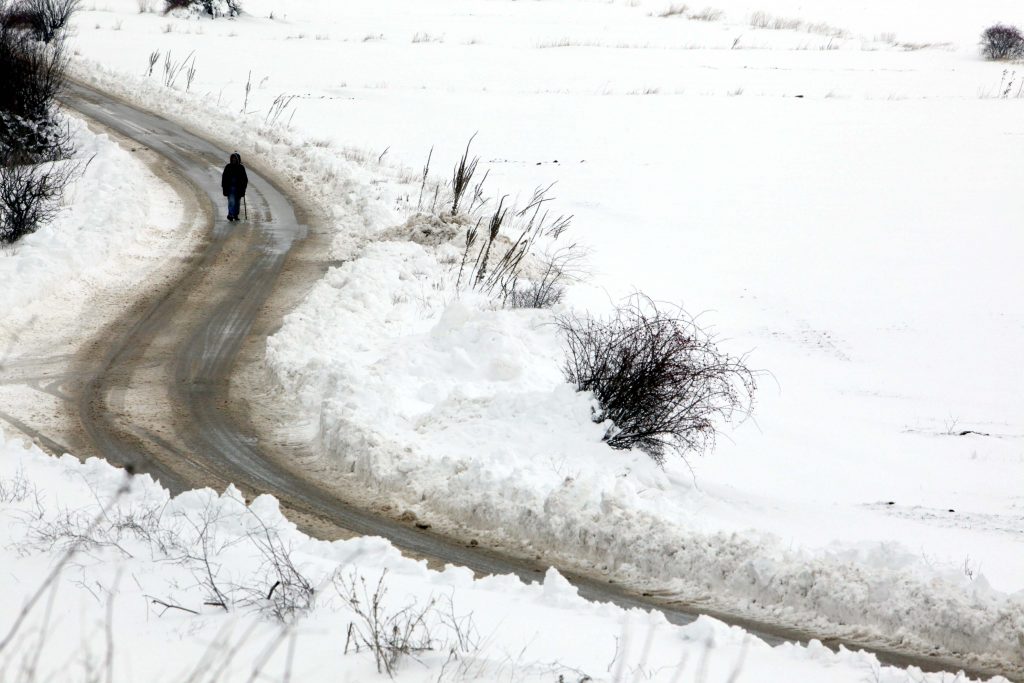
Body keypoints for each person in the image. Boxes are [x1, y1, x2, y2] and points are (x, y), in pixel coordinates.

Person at [221, 152, 248, 221]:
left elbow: (245, 179)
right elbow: (224, 178)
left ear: (238, 159)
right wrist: (224, 188)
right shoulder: (228, 167)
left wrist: (243, 189)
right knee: (231, 202)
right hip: (230, 189)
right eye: (232, 158)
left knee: (237, 203)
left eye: (235, 159)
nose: (233, 160)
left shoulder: (241, 168)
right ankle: (230, 215)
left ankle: (235, 214)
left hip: (238, 189)